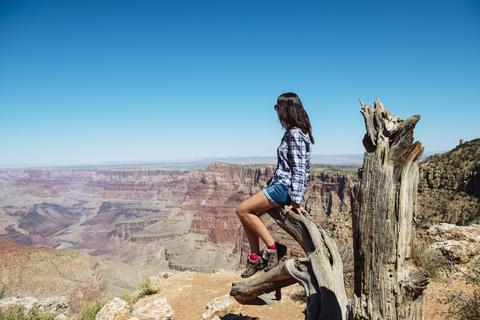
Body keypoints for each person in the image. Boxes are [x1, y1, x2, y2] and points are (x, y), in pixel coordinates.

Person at [236, 92, 314, 278]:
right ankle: (255, 258)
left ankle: (273, 248)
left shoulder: (295, 134)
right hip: (279, 186)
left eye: (278, 107)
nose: (277, 111)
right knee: (248, 213)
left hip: (283, 188)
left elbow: (300, 169)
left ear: (286, 109)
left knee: (242, 210)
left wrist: (296, 201)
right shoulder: (294, 132)